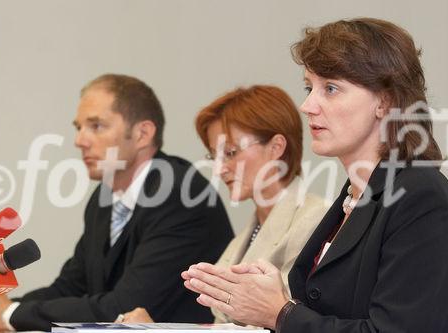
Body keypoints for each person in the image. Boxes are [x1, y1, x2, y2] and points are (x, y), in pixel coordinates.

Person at [182, 18, 448, 332]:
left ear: (385, 102)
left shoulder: (419, 193)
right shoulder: (354, 194)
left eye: (330, 89)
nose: (307, 105)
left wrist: (281, 313)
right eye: (309, 87)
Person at [0, 74, 233, 331]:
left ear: (142, 134)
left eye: (96, 126)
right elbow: (72, 286)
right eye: (78, 127)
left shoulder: (180, 195)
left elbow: (124, 308)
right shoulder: (104, 198)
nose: (79, 140)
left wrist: (9, 314)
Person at [118, 85, 328, 324]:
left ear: (276, 148)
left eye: (230, 153)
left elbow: (286, 323)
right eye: (213, 157)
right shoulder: (241, 240)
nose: (219, 169)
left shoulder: (316, 221)